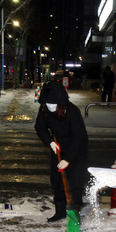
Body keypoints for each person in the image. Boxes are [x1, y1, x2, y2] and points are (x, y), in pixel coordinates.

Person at [35, 80, 89, 222]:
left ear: (60, 102)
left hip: (76, 150)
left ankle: (74, 214)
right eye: (47, 103)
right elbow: (40, 127)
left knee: (74, 182)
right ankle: (60, 211)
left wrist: (68, 159)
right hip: (57, 147)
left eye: (53, 103)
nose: (50, 106)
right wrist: (50, 142)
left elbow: (79, 137)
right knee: (57, 180)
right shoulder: (44, 110)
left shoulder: (72, 112)